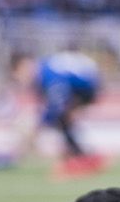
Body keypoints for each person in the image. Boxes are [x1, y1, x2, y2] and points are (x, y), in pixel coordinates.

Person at [36, 50, 108, 179]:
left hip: (87, 86)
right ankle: (79, 154)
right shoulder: (47, 67)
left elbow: (55, 105)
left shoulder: (46, 73)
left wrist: (39, 125)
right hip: (89, 82)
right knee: (64, 120)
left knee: (61, 117)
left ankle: (79, 156)